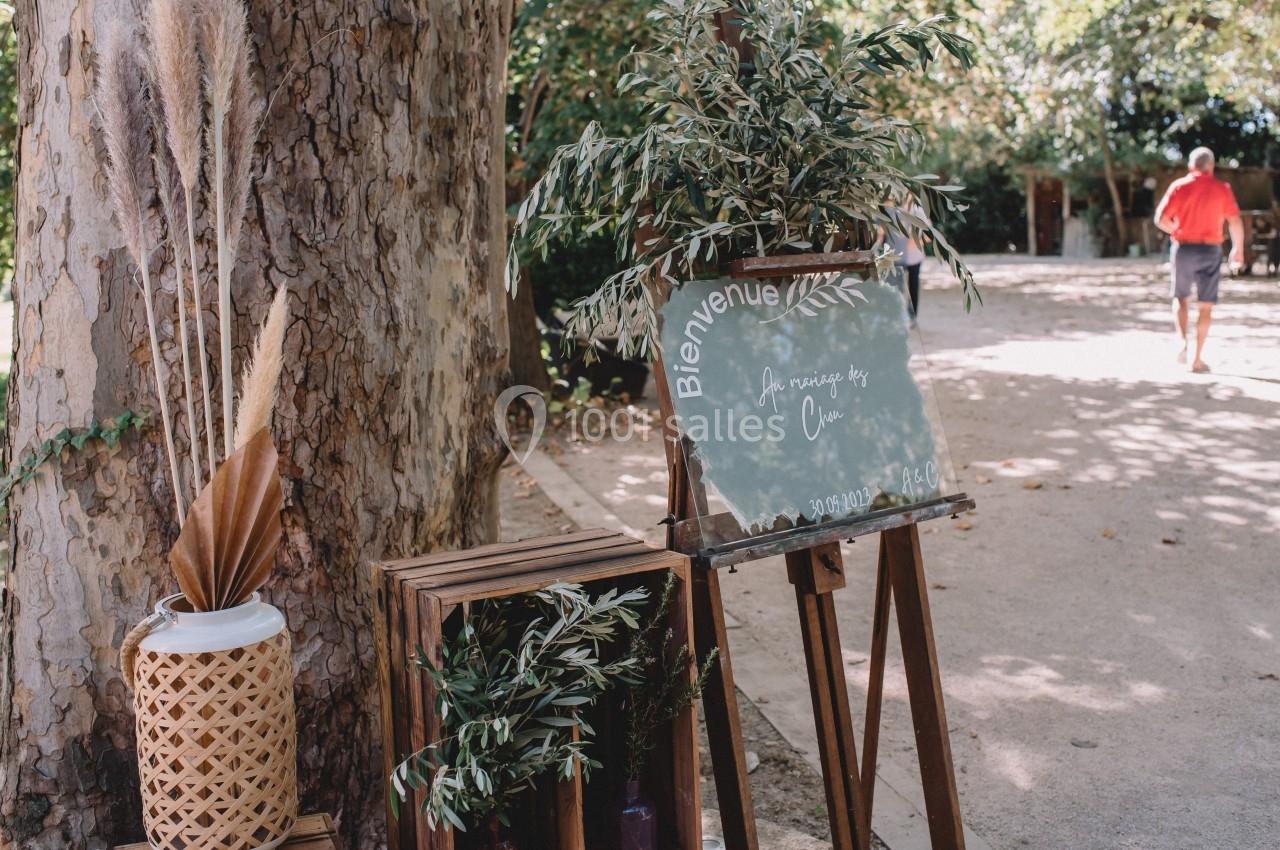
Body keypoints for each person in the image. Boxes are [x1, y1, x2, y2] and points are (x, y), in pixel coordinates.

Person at [1153, 146, 1244, 373]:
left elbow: (1160, 218)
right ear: (1211, 166)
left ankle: (1182, 341)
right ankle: (1197, 359)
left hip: (1183, 249)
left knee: (1180, 298)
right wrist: (1238, 249)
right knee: (1206, 305)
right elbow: (1234, 221)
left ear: (1191, 166)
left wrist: (1174, 229)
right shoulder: (1222, 189)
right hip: (1211, 251)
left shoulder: (1179, 186)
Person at [888, 200, 928, 321]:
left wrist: (917, 241)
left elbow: (928, 235)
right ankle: (898, 316)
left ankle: (912, 316)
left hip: (914, 257)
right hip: (896, 256)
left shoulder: (918, 211)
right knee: (897, 288)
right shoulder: (890, 211)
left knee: (913, 286)